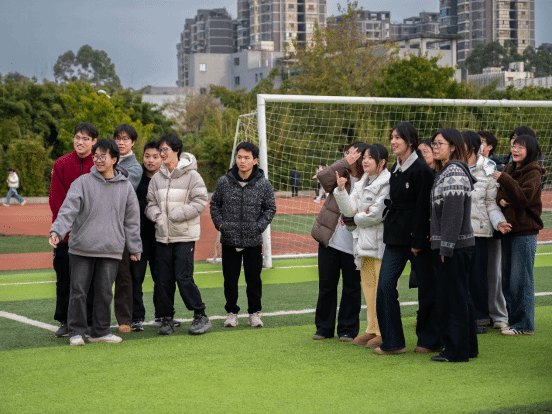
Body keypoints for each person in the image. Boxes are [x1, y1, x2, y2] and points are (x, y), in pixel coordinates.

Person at [49, 139, 142, 346]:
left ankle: (101, 331)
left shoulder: (125, 187)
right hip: (81, 248)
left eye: (103, 156)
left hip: (111, 249)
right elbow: (68, 210)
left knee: (104, 293)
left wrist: (135, 247)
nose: (98, 160)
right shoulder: (82, 183)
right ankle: (76, 332)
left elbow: (132, 220)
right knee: (78, 292)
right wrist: (57, 231)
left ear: (114, 159)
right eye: (96, 156)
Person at [374, 122, 441, 356]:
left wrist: (418, 241)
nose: (393, 142)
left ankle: (430, 340)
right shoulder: (396, 167)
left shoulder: (421, 169)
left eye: (398, 138)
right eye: (392, 137)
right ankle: (393, 342)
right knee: (384, 287)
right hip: (394, 238)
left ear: (410, 141)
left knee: (427, 290)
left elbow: (423, 207)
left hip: (417, 240)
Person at [146, 134, 211, 336]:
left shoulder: (192, 176)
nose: (161, 153)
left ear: (176, 150)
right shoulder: (157, 178)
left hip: (184, 236)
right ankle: (167, 319)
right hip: (162, 236)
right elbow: (151, 203)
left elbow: (200, 201)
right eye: (160, 150)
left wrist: (177, 214)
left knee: (183, 278)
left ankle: (200, 315)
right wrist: (157, 216)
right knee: (163, 280)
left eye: (165, 149)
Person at [210, 142, 276, 328]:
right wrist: (221, 225)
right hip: (229, 240)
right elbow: (214, 204)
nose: (242, 161)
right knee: (230, 280)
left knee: (253, 280)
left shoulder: (263, 184)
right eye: (239, 157)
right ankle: (231, 313)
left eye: (247, 157)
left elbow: (270, 207)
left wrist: (259, 226)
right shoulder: (224, 181)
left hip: (253, 240)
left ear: (255, 161)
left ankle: (254, 313)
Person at [333, 144, 390, 349]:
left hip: (381, 243)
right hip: (364, 243)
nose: (365, 161)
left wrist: (357, 218)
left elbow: (376, 214)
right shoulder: (362, 182)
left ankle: (384, 331)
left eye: (370, 158)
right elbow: (349, 210)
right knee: (369, 288)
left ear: (382, 162)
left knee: (383, 289)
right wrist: (341, 191)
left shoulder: (387, 182)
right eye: (364, 157)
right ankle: (372, 329)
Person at [311, 142, 368, 342]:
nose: (349, 156)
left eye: (354, 154)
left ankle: (348, 329)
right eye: (347, 153)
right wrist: (344, 162)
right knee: (327, 286)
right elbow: (322, 177)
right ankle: (323, 328)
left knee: (352, 287)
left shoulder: (368, 180)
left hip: (354, 244)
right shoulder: (339, 173)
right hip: (330, 240)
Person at [429, 128, 477, 363]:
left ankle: (455, 351)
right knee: (461, 296)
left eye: (439, 143)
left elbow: (453, 214)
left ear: (453, 147)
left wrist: (446, 246)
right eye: (434, 143)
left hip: (455, 246)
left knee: (453, 299)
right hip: (458, 245)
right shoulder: (447, 171)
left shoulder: (454, 172)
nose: (435, 147)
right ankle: (468, 347)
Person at [49, 122, 98, 338]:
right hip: (66, 236)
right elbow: (56, 199)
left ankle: (89, 320)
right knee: (64, 278)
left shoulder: (98, 164)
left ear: (94, 142)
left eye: (86, 139)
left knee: (91, 280)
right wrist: (65, 226)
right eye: (78, 137)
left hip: (91, 235)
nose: (80, 142)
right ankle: (65, 320)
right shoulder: (61, 163)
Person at [493, 134, 545, 336]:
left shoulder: (533, 172)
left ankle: (524, 325)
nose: (515, 150)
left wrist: (504, 179)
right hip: (508, 230)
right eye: (514, 146)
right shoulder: (510, 168)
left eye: (520, 147)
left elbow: (522, 199)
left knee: (520, 281)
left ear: (530, 151)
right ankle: (515, 321)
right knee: (507, 281)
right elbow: (500, 193)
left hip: (525, 232)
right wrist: (501, 199)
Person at [462, 131, 511, 335]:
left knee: (478, 278)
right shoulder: (453, 168)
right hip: (457, 233)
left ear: (473, 147)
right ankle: (459, 317)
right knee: (458, 277)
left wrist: (499, 222)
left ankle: (480, 319)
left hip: (480, 233)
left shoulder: (488, 169)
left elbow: (491, 203)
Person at [129, 141, 163, 332]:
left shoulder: (166, 178)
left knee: (162, 277)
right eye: (147, 156)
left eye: (155, 156)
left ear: (162, 158)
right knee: (136, 278)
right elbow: (129, 202)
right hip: (139, 237)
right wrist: (146, 206)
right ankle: (136, 317)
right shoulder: (136, 177)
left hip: (160, 237)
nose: (151, 160)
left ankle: (162, 314)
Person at [112, 123, 143, 334]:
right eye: (118, 138)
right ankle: (95, 319)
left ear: (133, 142)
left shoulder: (135, 167)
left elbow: (122, 187)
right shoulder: (106, 158)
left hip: (122, 230)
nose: (121, 142)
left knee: (124, 276)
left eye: (125, 139)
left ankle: (125, 319)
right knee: (99, 277)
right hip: (102, 226)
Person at [478, 130, 509, 328]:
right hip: (474, 229)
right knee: (476, 273)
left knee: (493, 273)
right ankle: (481, 314)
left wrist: (500, 210)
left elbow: (497, 198)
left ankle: (498, 315)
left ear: (490, 146)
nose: (478, 145)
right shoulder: (466, 165)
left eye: (482, 142)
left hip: (493, 228)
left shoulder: (496, 167)